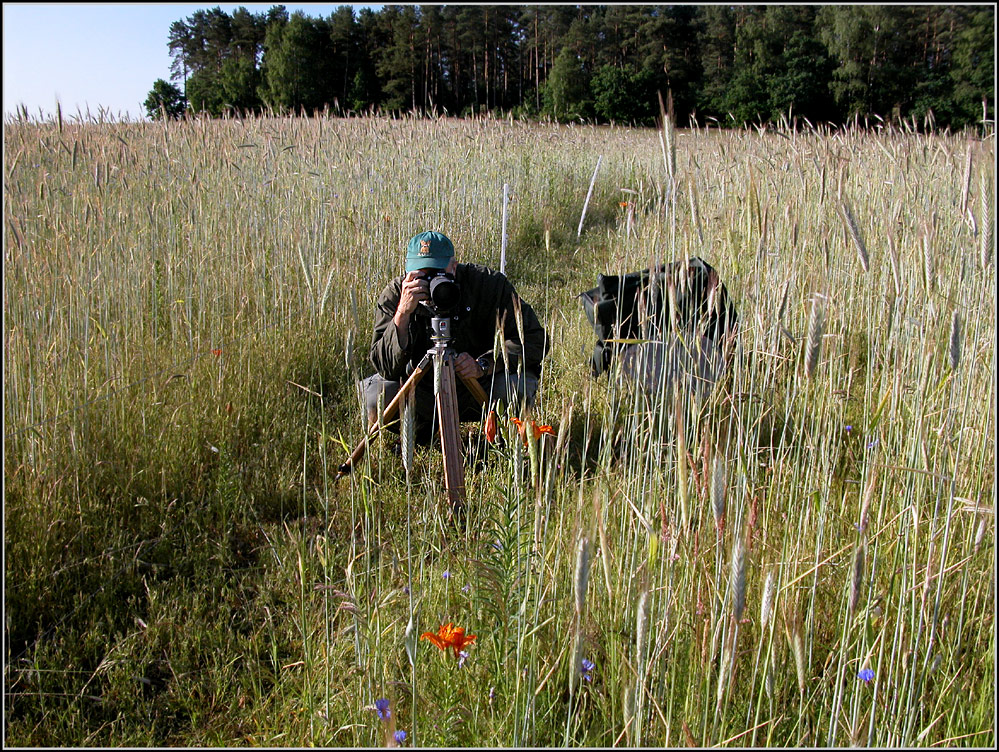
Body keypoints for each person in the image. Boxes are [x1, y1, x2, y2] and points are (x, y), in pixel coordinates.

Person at [360, 231, 550, 443]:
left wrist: (484, 365)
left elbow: (535, 340)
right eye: (422, 275)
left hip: (480, 386)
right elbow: (384, 366)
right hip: (421, 393)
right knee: (375, 395)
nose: (431, 283)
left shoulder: (487, 285)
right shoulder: (396, 294)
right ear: (407, 273)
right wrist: (402, 314)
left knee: (518, 387)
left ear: (454, 266)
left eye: (438, 272)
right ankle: (426, 437)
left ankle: (500, 436)